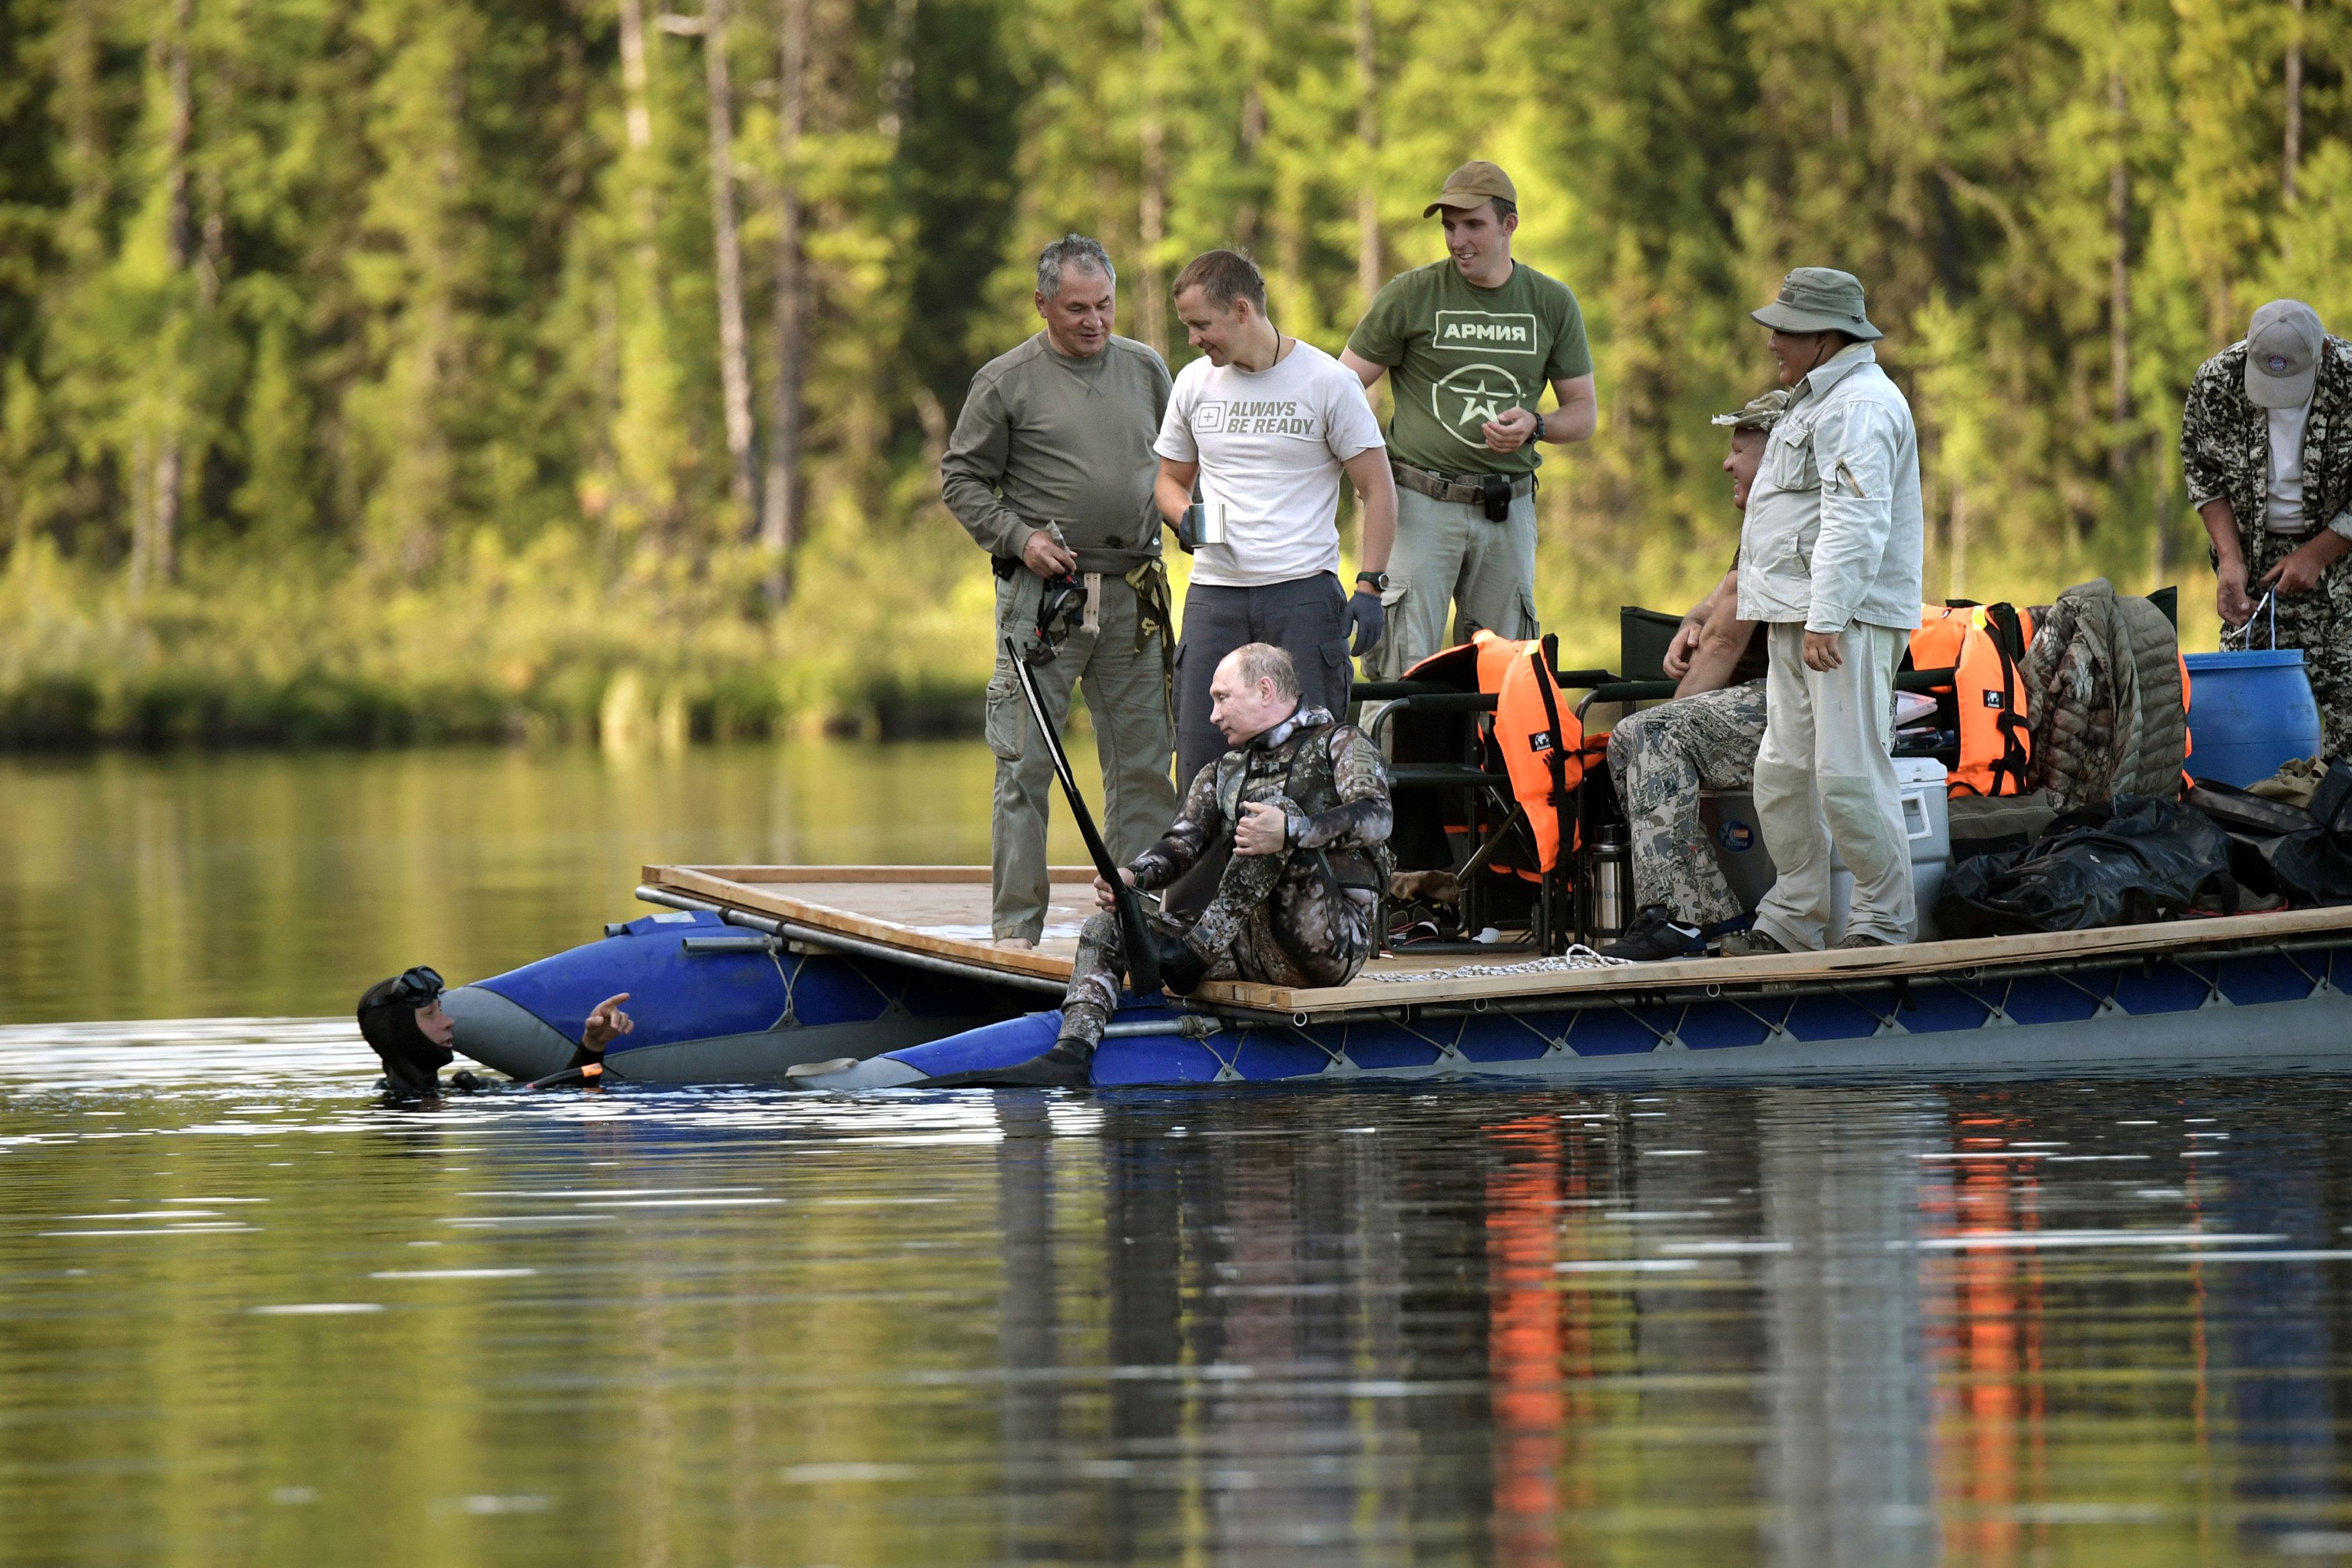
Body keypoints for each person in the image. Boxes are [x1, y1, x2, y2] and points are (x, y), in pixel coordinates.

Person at [978, 644, 1392, 1086]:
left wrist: (1292, 830)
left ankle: (1192, 954)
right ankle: (1072, 1052)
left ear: (1266, 690)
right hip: (1243, 948)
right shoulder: (1224, 770)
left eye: (1222, 697)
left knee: (1275, 812)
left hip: (1327, 949)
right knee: (1108, 926)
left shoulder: (1342, 743)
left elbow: (1379, 816)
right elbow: (1182, 843)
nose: (1212, 715)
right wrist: (1133, 875)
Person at [941, 234, 1181, 948]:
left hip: (1135, 593)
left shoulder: (1146, 370)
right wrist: (1021, 539)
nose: (1093, 321)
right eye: (1075, 308)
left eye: (1104, 305)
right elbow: (959, 480)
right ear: (1041, 303)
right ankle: (1016, 934)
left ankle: (1138, 921)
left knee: (1144, 765)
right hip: (1046, 602)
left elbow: (1180, 465)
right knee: (1024, 766)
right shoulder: (1004, 381)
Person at [1722, 268, 1925, 955]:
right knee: (1781, 773)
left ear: (1824, 334)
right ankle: (1791, 919)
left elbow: (1855, 519)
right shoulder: (1815, 400)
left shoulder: (1860, 404)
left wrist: (1827, 616)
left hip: (1844, 621)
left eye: (1785, 328)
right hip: (1799, 617)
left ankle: (1881, 921)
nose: (1772, 339)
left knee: (1847, 772)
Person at [1339, 160, 1597, 681]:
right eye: (1449, 226)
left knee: (1507, 675)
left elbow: (1584, 415)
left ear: (1509, 225)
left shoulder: (1550, 303)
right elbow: (1339, 388)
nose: (1458, 240)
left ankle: (1499, 765)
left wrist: (1536, 425)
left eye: (1472, 225)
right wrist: (1365, 473)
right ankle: (1392, 764)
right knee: (1404, 670)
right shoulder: (1411, 295)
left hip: (1509, 510)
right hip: (1418, 505)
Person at [1154, 249, 1398, 800]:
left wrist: (1369, 586)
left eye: (1201, 325)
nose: (1193, 339)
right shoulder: (1194, 384)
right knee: (1199, 767)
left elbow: (1376, 488)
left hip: (1302, 599)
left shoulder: (1328, 382)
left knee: (1310, 772)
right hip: (1215, 598)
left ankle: (1312, 890)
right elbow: (1169, 481)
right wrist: (1184, 517)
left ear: (1242, 310)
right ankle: (1200, 891)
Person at [1599, 391, 1786, 961]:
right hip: (1769, 699)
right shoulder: (1767, 516)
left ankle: (1675, 919)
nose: (1727, 463)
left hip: (1798, 700)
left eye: (1738, 450)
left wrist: (1668, 719)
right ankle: (1713, 916)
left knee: (1649, 735)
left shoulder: (1781, 519)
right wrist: (1692, 619)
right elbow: (1723, 602)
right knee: (1630, 741)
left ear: (1776, 456)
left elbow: (1726, 642)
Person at [2182, 298, 2352, 761]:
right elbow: (2202, 471)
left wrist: (2317, 555)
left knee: (2342, 730)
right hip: (2254, 570)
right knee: (2246, 717)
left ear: (2321, 356)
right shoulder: (2217, 381)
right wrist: (2230, 560)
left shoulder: (2350, 379)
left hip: (2342, 574)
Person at [357, 967, 633, 1094]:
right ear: (402, 1036)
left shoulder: (459, 1090)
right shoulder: (394, 1113)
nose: (448, 1021)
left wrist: (592, 1043)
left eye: (440, 1009)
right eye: (430, 1015)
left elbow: (566, 1094)